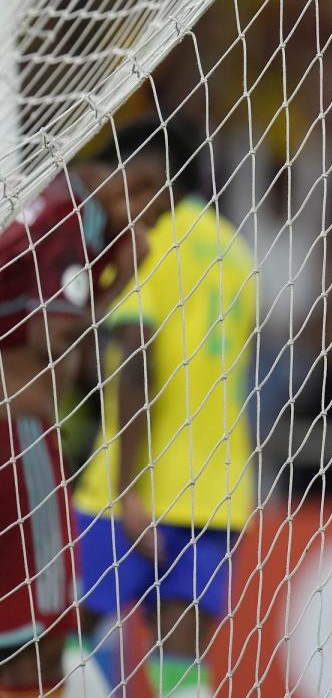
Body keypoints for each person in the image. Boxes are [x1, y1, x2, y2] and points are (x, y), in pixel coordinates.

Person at [71, 120, 256, 698]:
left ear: (150, 183)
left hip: (130, 485)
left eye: (117, 191)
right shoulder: (233, 248)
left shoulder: (148, 245)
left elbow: (137, 362)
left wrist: (128, 491)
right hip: (217, 491)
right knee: (181, 669)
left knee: (60, 638)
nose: (112, 208)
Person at [0, 135, 169, 696]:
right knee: (38, 638)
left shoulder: (64, 211)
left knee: (28, 632)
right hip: (21, 436)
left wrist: (118, 277)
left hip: (27, 434)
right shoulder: (67, 211)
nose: (149, 223)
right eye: (156, 207)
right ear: (141, 187)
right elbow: (55, 336)